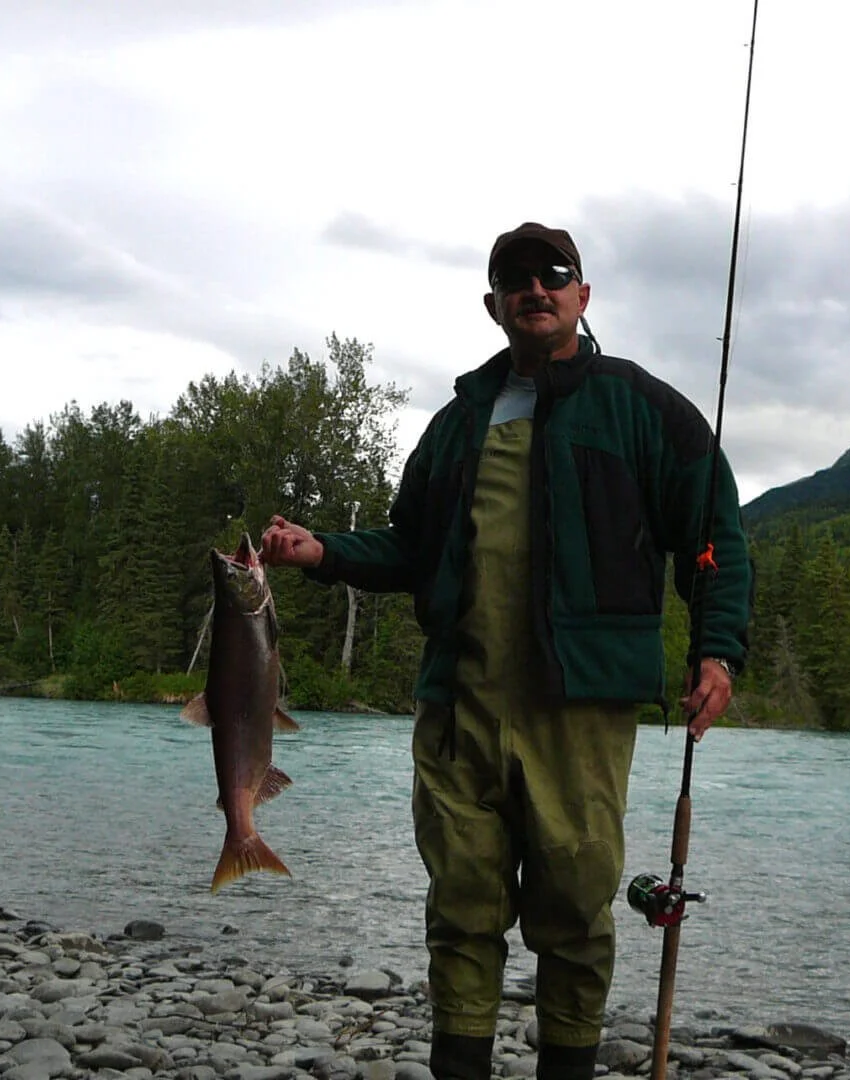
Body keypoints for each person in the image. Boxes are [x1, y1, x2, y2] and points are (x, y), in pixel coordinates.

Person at [261, 222, 752, 1080]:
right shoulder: (457, 423)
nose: (535, 287)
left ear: (582, 296)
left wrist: (717, 652)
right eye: (515, 278)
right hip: (460, 704)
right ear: (494, 304)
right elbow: (409, 545)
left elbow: (714, 533)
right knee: (462, 907)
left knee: (574, 911)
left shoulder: (638, 407)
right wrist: (321, 552)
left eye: (552, 274)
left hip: (581, 711)